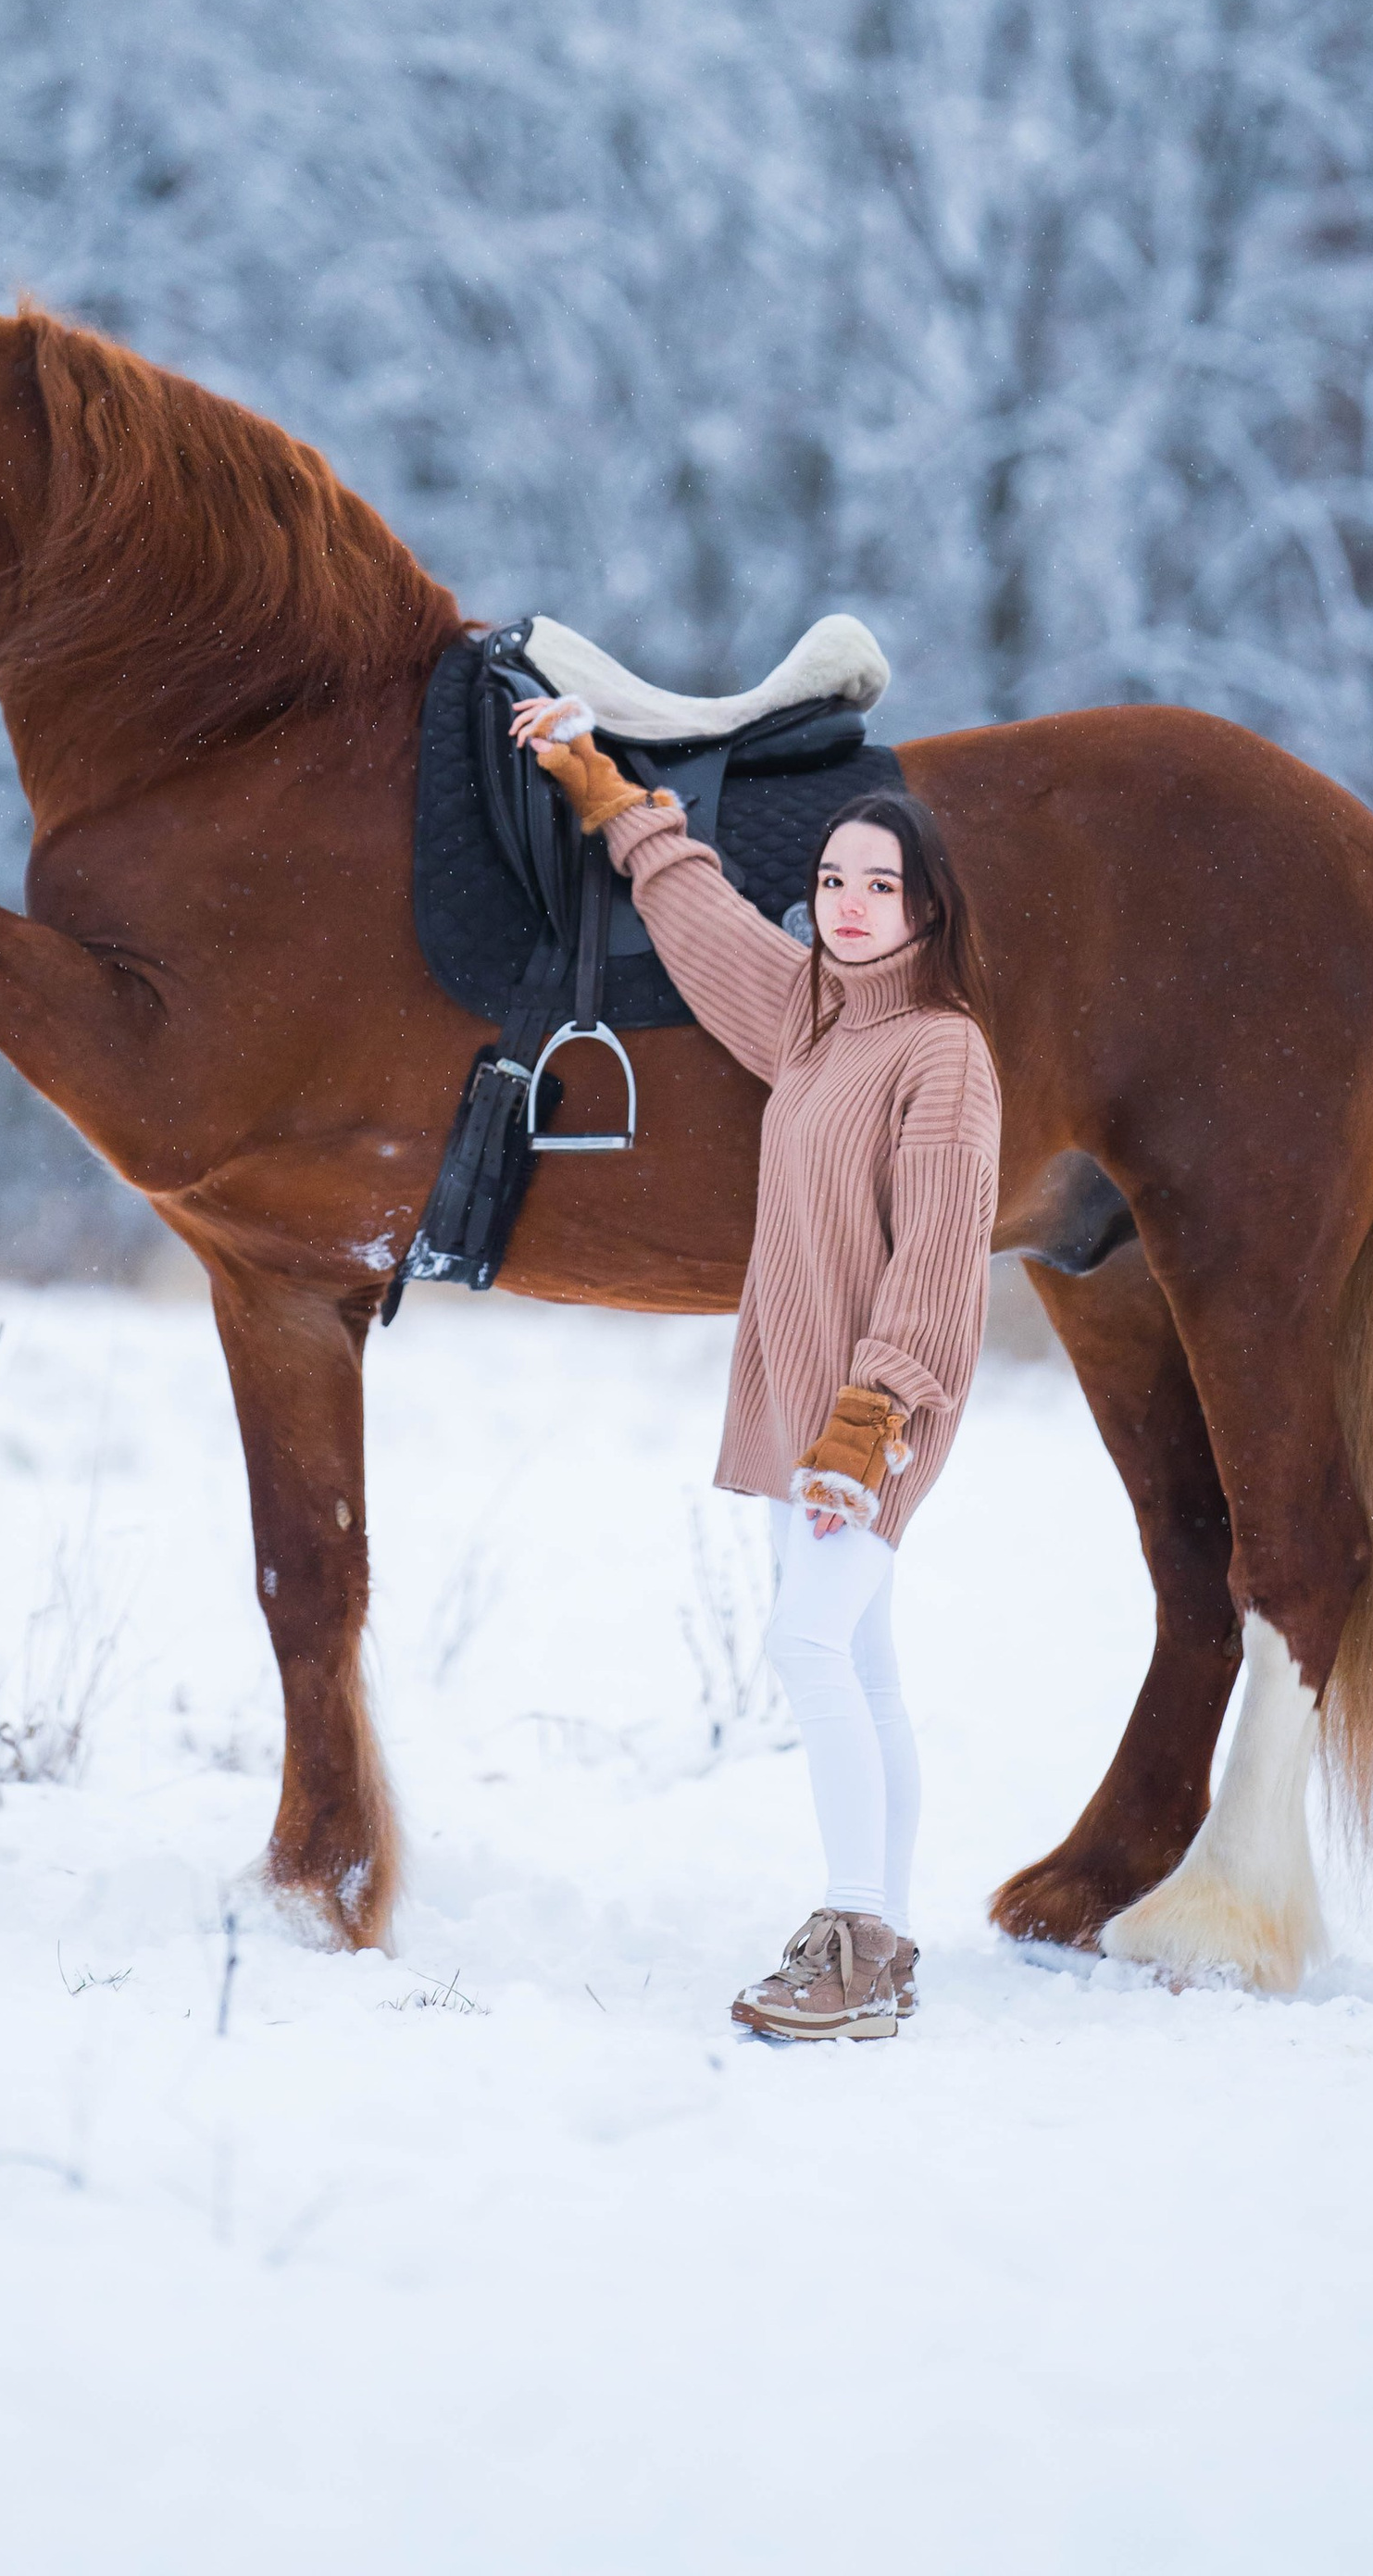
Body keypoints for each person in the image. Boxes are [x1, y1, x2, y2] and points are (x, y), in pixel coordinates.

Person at [510, 692, 1002, 2042]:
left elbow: (941, 1252)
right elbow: (702, 914)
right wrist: (604, 792)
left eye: (880, 885)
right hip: (807, 1405)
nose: (850, 904)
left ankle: (852, 1935)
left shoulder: (943, 1052)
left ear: (927, 907)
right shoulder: (808, 1018)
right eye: (834, 880)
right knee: (865, 1665)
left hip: (875, 1414)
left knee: (806, 1641)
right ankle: (884, 1945)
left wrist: (871, 1420)